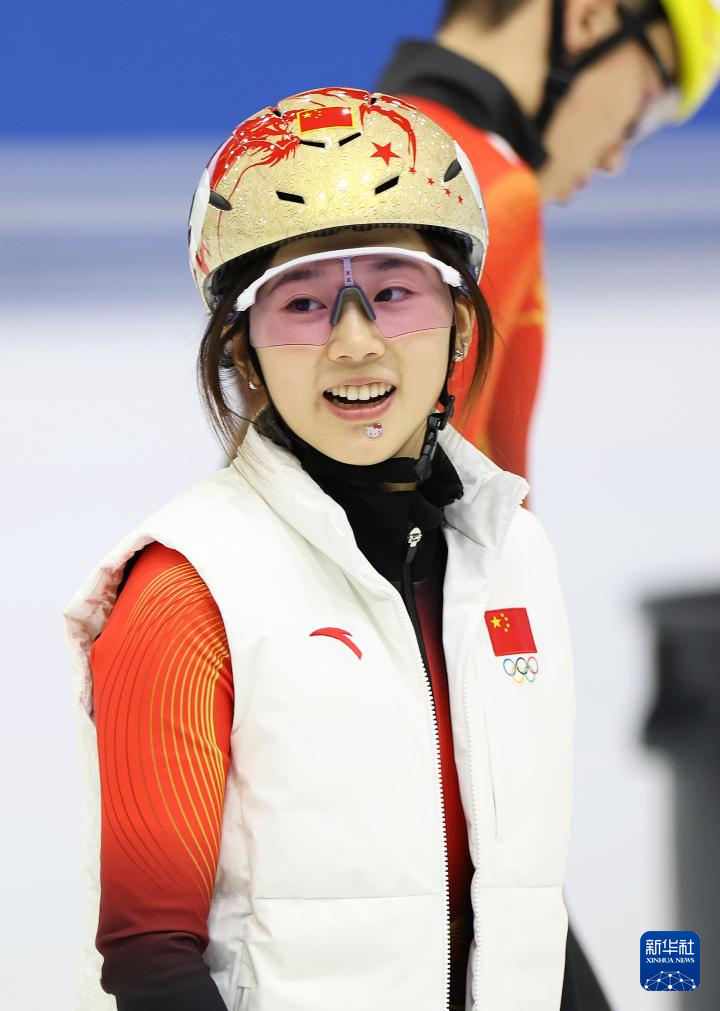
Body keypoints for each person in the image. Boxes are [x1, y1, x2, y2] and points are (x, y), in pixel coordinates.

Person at [65, 87, 575, 1011]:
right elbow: (151, 960)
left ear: (460, 320)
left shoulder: (515, 555)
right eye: (302, 303)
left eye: (393, 291)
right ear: (243, 352)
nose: (355, 342)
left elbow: (520, 898)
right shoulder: (186, 588)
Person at [378, 0, 720, 481]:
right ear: (588, 18)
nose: (615, 159)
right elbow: (415, 499)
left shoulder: (344, 165)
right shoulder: (491, 197)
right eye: (645, 107)